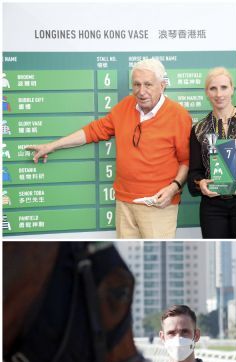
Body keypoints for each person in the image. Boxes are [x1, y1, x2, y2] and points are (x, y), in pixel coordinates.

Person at [26, 58, 192, 239]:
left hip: (158, 205)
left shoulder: (178, 115)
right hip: (124, 203)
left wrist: (173, 188)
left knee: (158, 260)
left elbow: (186, 160)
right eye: (136, 84)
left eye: (148, 85)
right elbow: (92, 131)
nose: (141, 91)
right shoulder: (124, 107)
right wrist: (52, 146)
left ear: (162, 85)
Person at [187, 67, 236, 239]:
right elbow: (194, 172)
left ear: (232, 88)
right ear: (206, 93)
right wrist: (201, 183)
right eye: (213, 89)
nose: (219, 94)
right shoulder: (199, 129)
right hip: (212, 207)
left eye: (224, 87)